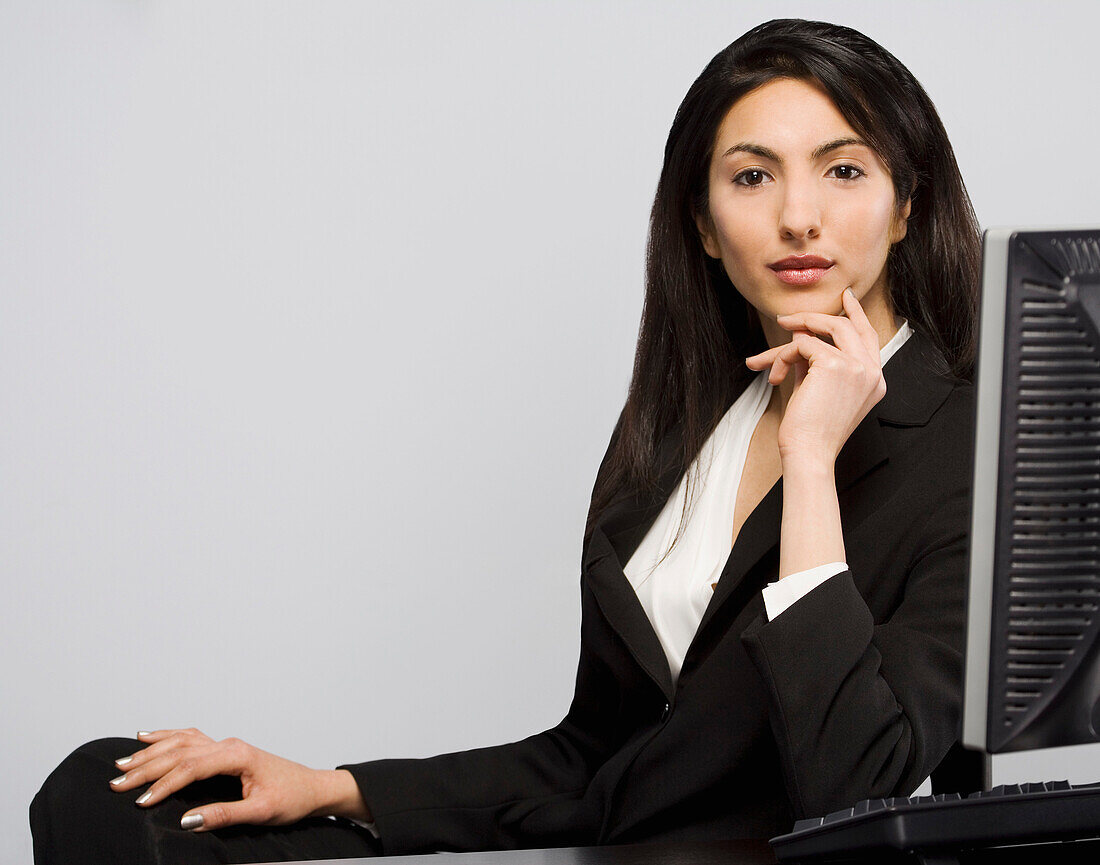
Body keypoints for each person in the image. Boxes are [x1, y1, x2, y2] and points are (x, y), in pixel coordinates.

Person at [31, 17, 981, 863]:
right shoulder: (692, 421)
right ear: (701, 221)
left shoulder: (967, 446)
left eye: (844, 168)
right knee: (108, 798)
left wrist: (812, 464)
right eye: (751, 176)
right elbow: (595, 755)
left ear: (907, 205)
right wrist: (335, 787)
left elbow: (855, 791)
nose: (798, 216)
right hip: (599, 841)